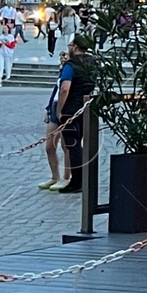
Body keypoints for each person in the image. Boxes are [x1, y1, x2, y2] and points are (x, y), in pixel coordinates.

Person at [52, 34, 95, 194]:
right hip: (87, 106)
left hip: (71, 108)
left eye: (70, 45)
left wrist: (60, 110)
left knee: (73, 145)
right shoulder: (92, 62)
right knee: (80, 143)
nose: (69, 47)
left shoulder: (71, 65)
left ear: (75, 47)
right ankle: (85, 179)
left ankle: (77, 181)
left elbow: (64, 89)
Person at [39, 53, 68, 190]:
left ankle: (67, 177)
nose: (62, 58)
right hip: (54, 106)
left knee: (66, 145)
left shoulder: (71, 70)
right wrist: (49, 108)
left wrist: (61, 110)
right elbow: (56, 91)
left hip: (65, 108)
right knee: (49, 146)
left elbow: (65, 90)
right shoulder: (63, 71)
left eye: (66, 56)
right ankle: (54, 176)